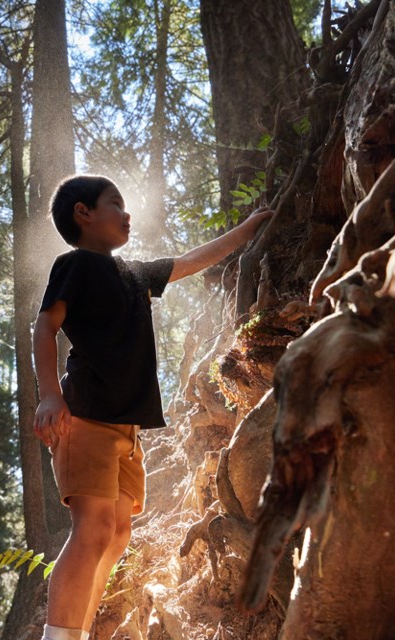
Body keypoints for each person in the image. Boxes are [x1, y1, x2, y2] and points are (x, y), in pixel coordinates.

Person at [33, 175, 273, 640]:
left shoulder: (134, 274)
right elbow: (44, 328)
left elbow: (187, 262)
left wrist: (246, 231)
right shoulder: (75, 265)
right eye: (115, 204)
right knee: (93, 529)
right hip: (84, 417)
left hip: (126, 427)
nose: (127, 214)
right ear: (83, 213)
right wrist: (49, 394)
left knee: (117, 533)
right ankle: (58, 636)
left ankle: (76, 632)